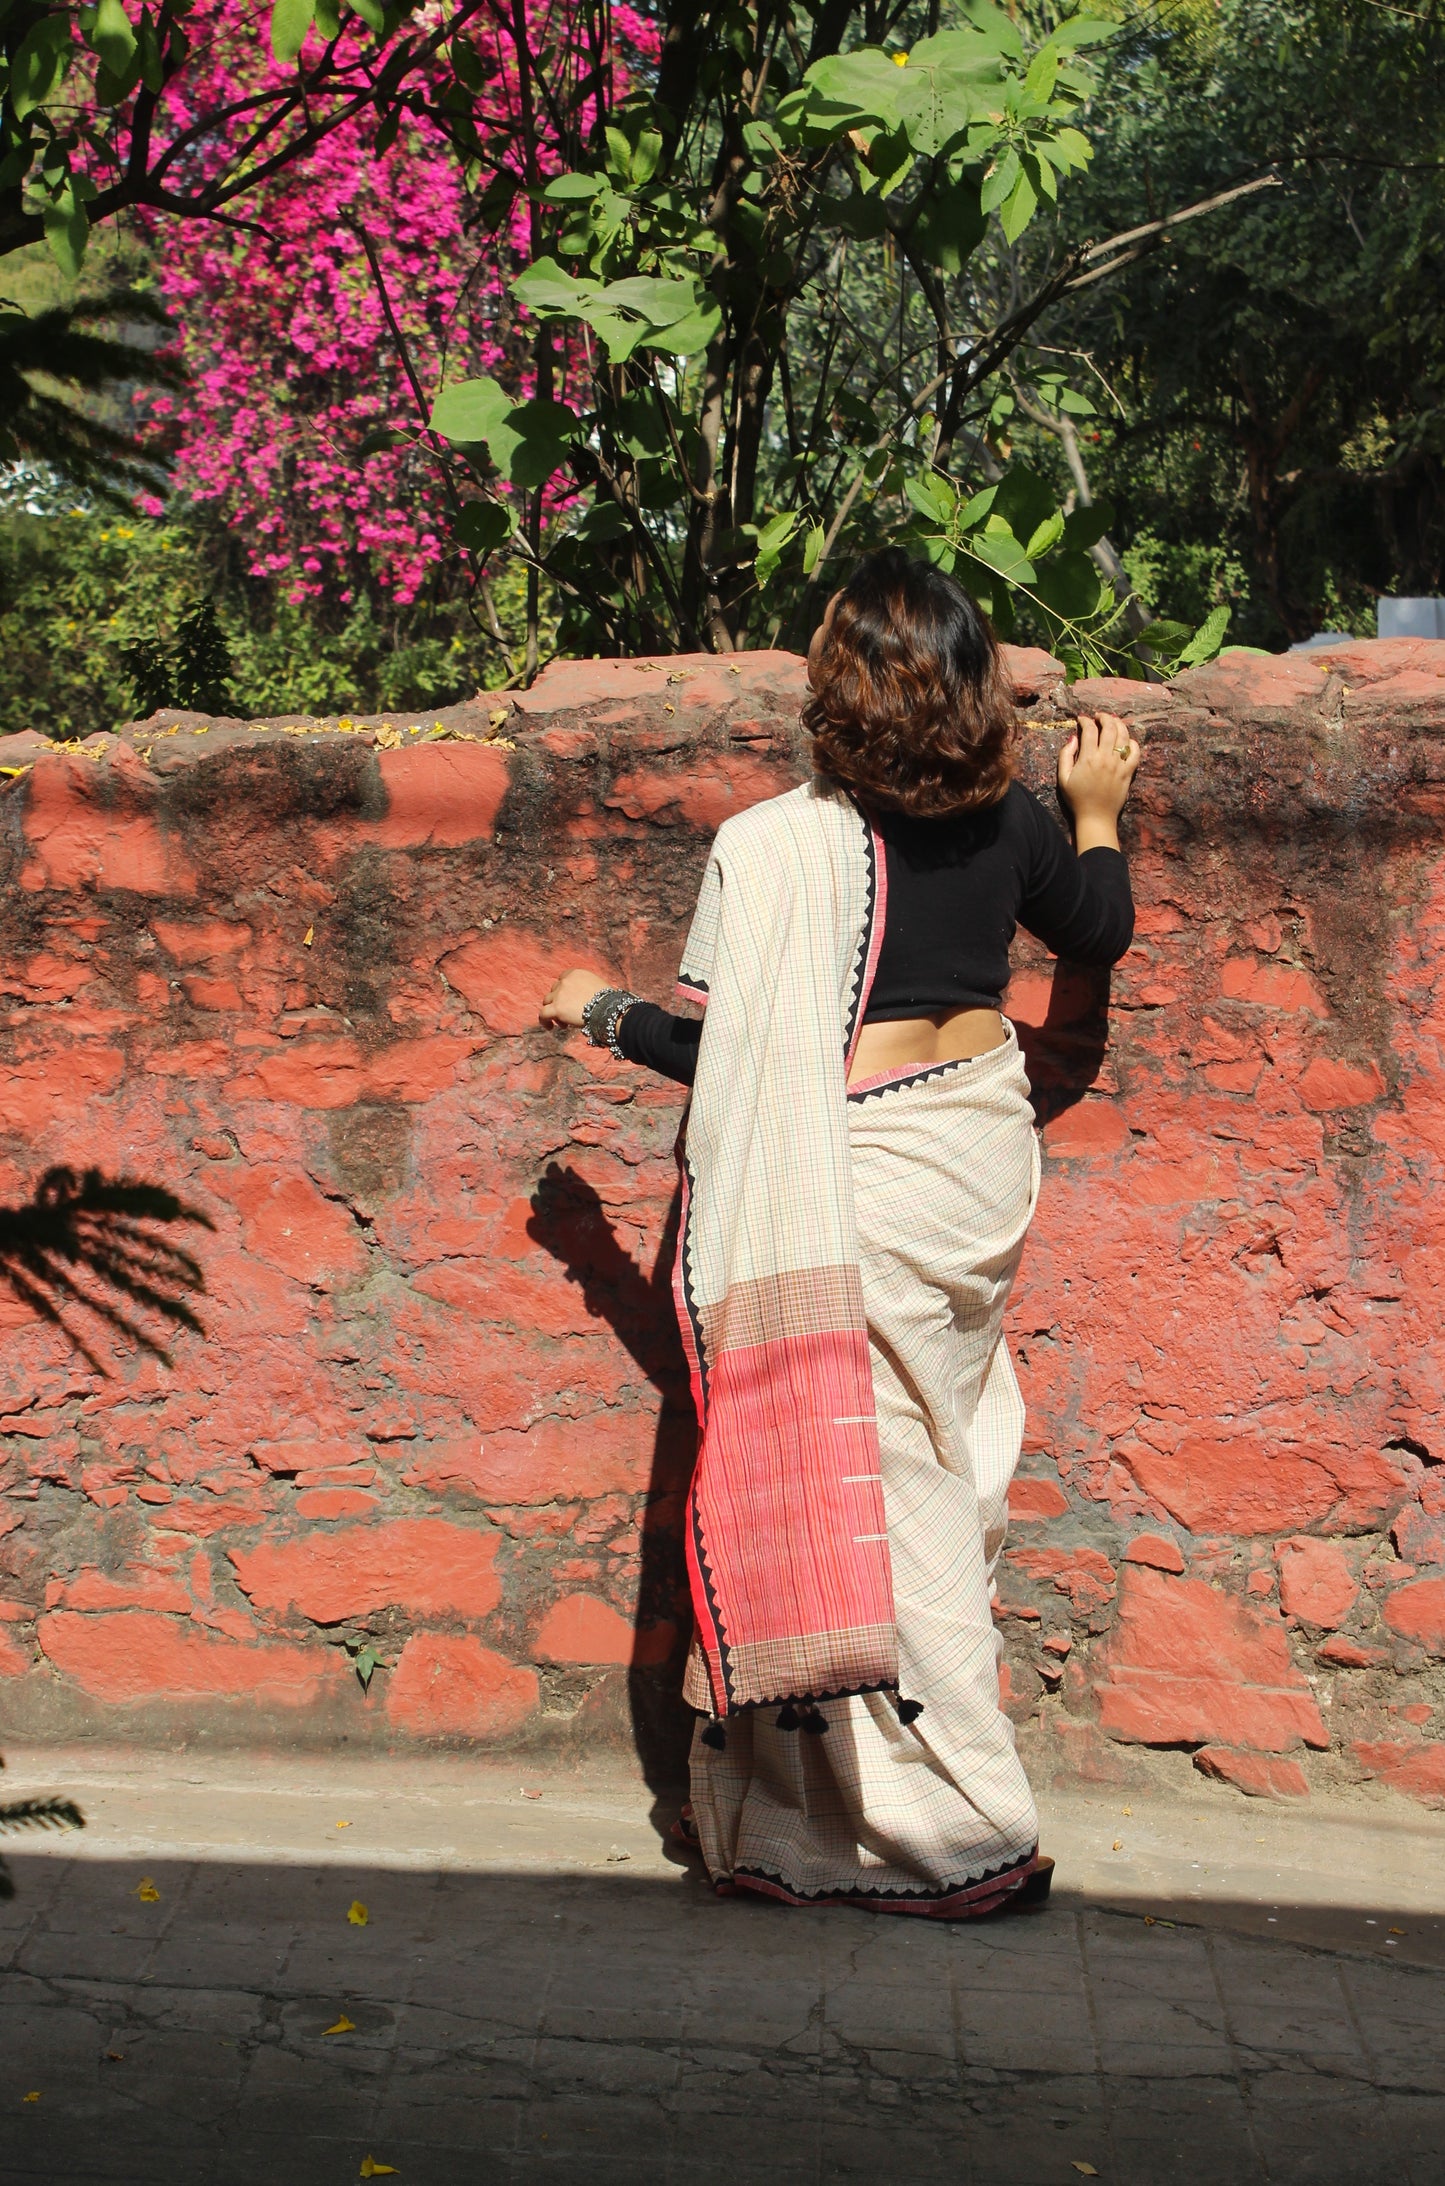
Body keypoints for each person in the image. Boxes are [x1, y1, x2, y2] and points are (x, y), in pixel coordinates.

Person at [540, 548, 1139, 1917]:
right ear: (974, 682)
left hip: (862, 1174)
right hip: (975, 1163)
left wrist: (599, 1009)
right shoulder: (1012, 823)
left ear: (837, 689)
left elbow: (734, 1061)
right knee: (944, 1450)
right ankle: (864, 1804)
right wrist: (1093, 808)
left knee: (883, 1490)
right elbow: (1096, 925)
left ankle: (956, 1831)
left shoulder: (774, 845)